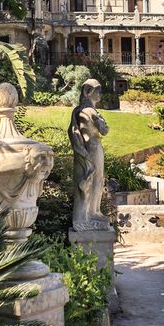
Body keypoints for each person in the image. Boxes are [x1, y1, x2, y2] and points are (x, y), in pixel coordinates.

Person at [69, 79, 109, 229]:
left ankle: (93, 212)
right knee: (96, 180)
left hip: (91, 147)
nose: (100, 93)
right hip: (93, 147)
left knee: (95, 180)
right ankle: (92, 213)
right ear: (88, 92)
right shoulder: (90, 111)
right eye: (97, 90)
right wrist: (102, 121)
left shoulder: (81, 110)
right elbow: (104, 130)